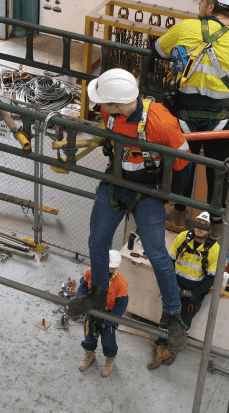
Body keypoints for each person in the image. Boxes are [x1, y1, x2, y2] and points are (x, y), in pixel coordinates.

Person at [62, 68, 191, 351]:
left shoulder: (163, 123)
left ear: (118, 104)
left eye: (103, 103)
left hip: (147, 192)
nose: (99, 108)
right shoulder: (110, 114)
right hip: (115, 183)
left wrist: (174, 201)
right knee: (97, 240)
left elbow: (183, 164)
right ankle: (98, 293)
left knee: (158, 255)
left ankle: (174, 316)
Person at [154, 0, 229, 229]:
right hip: (222, 118)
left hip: (184, 113)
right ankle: (217, 219)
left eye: (203, 0)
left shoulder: (186, 29)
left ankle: (180, 209)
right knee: (219, 167)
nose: (200, 4)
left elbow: (157, 50)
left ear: (211, 7)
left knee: (184, 161)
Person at [149, 211, 220, 370]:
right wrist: (170, 287)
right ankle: (160, 348)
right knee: (166, 318)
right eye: (197, 223)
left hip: (193, 296)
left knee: (183, 322)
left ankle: (172, 350)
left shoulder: (214, 249)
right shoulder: (182, 237)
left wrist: (192, 294)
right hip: (174, 288)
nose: (199, 229)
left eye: (204, 226)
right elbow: (169, 262)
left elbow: (211, 278)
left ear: (210, 230)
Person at [78, 251, 128, 377]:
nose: (110, 270)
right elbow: (83, 287)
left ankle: (109, 359)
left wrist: (110, 320)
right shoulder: (91, 272)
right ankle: (89, 355)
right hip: (91, 312)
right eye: (108, 267)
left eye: (112, 268)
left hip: (108, 316)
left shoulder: (120, 283)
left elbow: (121, 305)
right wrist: (78, 302)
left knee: (108, 341)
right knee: (89, 337)